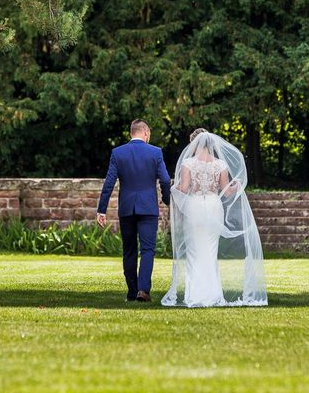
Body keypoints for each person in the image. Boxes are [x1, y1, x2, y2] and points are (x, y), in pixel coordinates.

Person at [161, 128, 267, 307]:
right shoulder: (221, 165)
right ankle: (212, 294)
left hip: (194, 207)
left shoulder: (188, 163)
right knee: (210, 251)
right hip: (213, 206)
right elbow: (226, 193)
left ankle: (194, 295)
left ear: (195, 144)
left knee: (194, 250)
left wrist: (172, 188)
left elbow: (184, 189)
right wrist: (237, 186)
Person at [97, 119, 171, 302]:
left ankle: (132, 292)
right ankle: (143, 290)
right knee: (147, 250)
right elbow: (165, 180)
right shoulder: (155, 152)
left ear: (132, 133)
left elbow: (108, 183)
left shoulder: (118, 153)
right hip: (148, 208)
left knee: (129, 250)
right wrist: (166, 199)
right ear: (145, 133)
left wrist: (102, 210)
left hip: (127, 208)